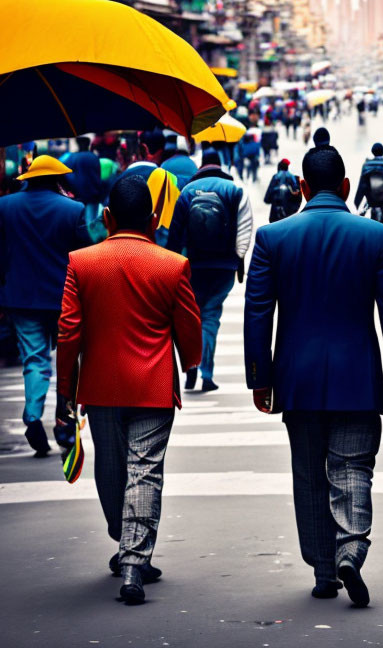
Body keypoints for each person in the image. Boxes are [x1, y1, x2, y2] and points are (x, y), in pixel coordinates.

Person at [244, 145, 383, 607]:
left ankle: (323, 568)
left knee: (309, 472)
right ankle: (351, 549)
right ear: (344, 187)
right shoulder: (376, 235)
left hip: (296, 377)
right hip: (357, 374)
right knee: (353, 465)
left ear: (301, 187)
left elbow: (258, 311)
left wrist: (260, 377)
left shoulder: (273, 237)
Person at [57, 176, 202, 605]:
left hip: (100, 385)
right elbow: (189, 328)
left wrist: (67, 389)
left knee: (111, 468)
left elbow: (68, 333)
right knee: (145, 470)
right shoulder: (171, 265)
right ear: (155, 219)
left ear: (106, 217)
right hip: (153, 385)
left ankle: (127, 547)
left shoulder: (81, 263)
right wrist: (191, 361)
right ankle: (135, 559)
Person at [0, 156, 90, 456]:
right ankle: (64, 421)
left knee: (34, 360)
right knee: (68, 361)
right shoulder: (73, 209)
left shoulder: (5, 207)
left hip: (21, 297)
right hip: (64, 298)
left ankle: (32, 415)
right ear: (56, 180)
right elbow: (85, 257)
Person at [167, 163, 253, 392]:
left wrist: (171, 266)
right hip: (223, 267)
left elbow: (175, 233)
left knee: (192, 316)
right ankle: (207, 373)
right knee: (211, 316)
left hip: (193, 266)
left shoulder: (187, 191)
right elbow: (245, 229)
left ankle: (191, 366)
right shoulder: (234, 190)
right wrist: (239, 260)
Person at [355, 143, 383, 228]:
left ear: (372, 152)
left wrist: (357, 202)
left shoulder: (366, 167)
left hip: (371, 204)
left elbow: (362, 186)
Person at [65, 136, 104, 220]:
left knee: (82, 222)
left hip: (79, 197)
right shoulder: (93, 157)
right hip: (94, 196)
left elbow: (67, 175)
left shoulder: (73, 157)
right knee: (91, 221)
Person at [264, 158, 302, 223]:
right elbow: (298, 196)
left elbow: (268, 195)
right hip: (289, 213)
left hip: (275, 213)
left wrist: (269, 199)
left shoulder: (276, 177)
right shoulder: (293, 178)